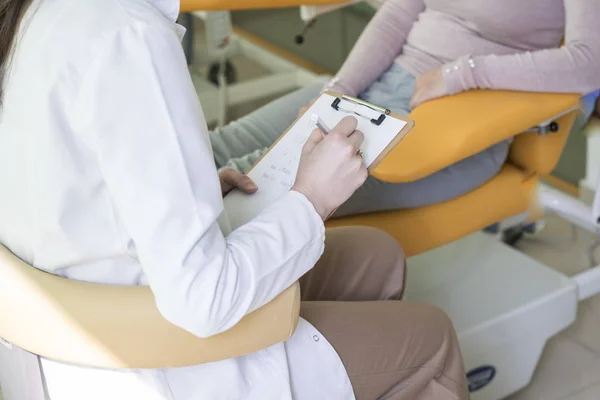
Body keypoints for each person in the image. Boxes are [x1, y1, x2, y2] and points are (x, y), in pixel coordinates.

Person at [0, 0, 469, 399]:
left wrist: (191, 192)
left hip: (79, 317)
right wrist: (313, 199)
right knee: (433, 336)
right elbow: (204, 301)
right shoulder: (131, 37)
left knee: (377, 256)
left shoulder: (43, 13)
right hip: (155, 359)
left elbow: (73, 183)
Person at [210, 0, 600, 217]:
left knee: (254, 182)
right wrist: (337, 93)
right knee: (214, 146)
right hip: (380, 82)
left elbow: (589, 62)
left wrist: (461, 74)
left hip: (458, 122)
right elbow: (399, 13)